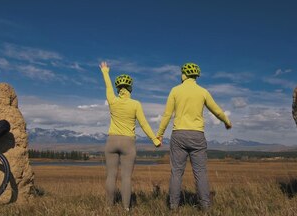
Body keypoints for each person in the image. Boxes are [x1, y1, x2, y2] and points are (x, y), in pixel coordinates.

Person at [156, 62, 232, 210]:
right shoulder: (203, 92)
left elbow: (167, 115)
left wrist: (159, 135)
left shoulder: (175, 91)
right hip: (197, 135)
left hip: (179, 135)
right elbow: (216, 110)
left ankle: (173, 206)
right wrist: (226, 121)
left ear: (183, 74)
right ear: (196, 76)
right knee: (201, 173)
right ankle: (205, 207)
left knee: (176, 172)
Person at [99, 61, 161, 211]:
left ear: (118, 88)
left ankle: (108, 207)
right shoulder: (135, 104)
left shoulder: (112, 101)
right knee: (126, 177)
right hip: (128, 143)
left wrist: (105, 71)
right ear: (130, 88)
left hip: (111, 141)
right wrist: (154, 139)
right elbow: (144, 124)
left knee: (111, 176)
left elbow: (108, 87)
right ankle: (126, 208)